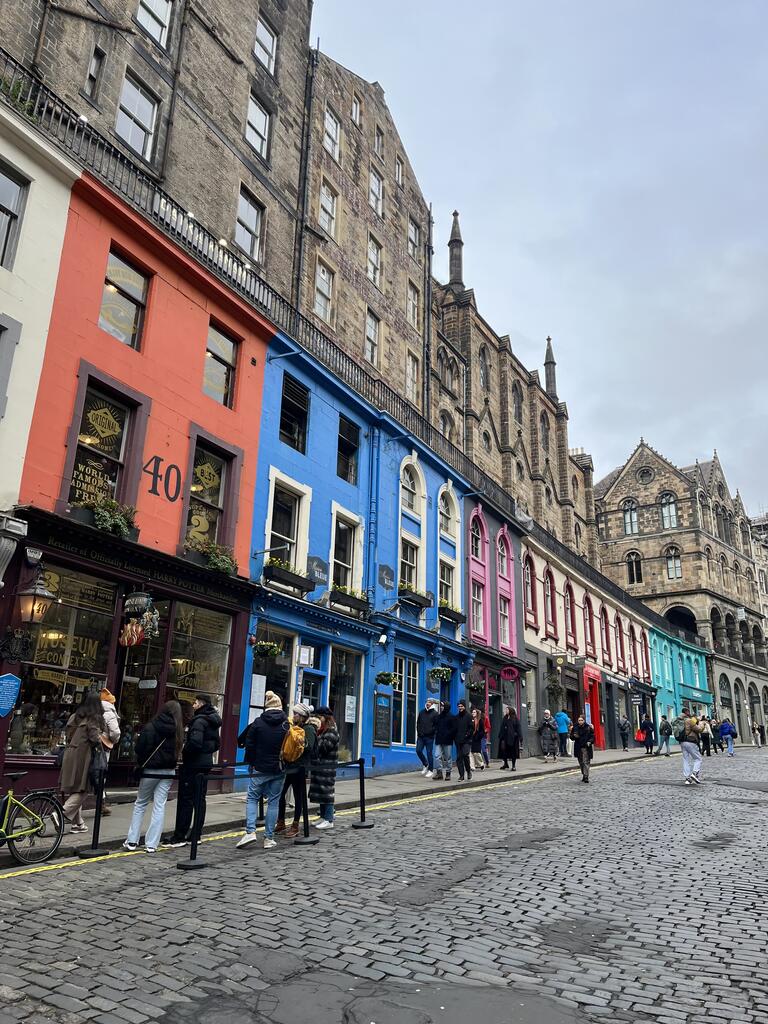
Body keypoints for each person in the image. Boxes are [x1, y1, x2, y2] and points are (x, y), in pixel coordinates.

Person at [123, 701, 184, 853]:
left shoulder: (151, 726)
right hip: (168, 771)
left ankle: (132, 841)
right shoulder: (178, 730)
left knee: (141, 803)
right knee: (159, 805)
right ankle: (152, 844)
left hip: (151, 770)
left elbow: (140, 748)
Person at [164, 693, 221, 848]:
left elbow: (195, 743)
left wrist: (184, 751)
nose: (194, 705)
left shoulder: (199, 721)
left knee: (186, 800)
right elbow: (216, 744)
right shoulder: (213, 721)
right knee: (199, 800)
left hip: (193, 765)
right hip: (205, 764)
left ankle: (180, 835)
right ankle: (196, 834)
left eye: (195, 702)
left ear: (201, 703)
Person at [235, 690, 288, 850]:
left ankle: (250, 832)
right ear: (279, 706)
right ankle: (269, 838)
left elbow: (249, 745)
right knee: (274, 802)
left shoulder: (258, 722)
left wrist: (251, 762)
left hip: (260, 767)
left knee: (252, 797)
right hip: (279, 768)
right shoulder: (287, 723)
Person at [59, 694, 105, 833]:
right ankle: (61, 814)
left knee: (75, 789)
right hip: (83, 756)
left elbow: (67, 733)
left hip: (69, 753)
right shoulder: (94, 718)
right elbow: (95, 739)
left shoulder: (74, 716)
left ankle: (77, 823)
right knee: (83, 789)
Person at [276, 703, 317, 839]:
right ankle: (280, 821)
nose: (294, 716)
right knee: (281, 794)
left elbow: (308, 747)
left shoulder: (309, 729)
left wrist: (297, 739)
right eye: (294, 713)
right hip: (289, 767)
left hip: (300, 768)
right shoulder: (294, 727)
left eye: (297, 714)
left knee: (299, 797)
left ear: (303, 716)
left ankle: (295, 825)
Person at [309, 706, 339, 830]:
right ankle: (323, 816)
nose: (318, 719)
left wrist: (315, 735)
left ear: (326, 718)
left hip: (326, 768)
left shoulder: (331, 731)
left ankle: (329, 819)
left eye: (319, 717)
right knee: (321, 792)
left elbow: (323, 747)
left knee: (327, 793)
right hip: (320, 767)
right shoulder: (324, 730)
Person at [99, 687, 121, 816]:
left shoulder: (94, 711)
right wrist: (114, 740)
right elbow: (115, 732)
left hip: (92, 746)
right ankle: (101, 804)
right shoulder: (109, 713)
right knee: (101, 775)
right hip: (103, 747)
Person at [673, 707, 705, 784]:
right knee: (698, 758)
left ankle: (687, 778)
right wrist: (702, 724)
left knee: (685, 759)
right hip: (691, 741)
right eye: (688, 711)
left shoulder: (678, 720)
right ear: (687, 712)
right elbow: (699, 729)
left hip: (682, 742)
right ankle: (694, 773)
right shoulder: (689, 721)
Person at [433, 702, 456, 781]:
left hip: (447, 740)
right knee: (436, 756)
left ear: (446, 707)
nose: (441, 707)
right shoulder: (438, 717)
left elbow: (453, 729)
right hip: (439, 739)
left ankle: (448, 773)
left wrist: (448, 734)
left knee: (448, 758)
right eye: (441, 706)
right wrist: (436, 732)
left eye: (442, 706)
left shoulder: (452, 717)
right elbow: (435, 725)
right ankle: (439, 772)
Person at [415, 698, 438, 777]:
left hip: (429, 737)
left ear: (432, 704)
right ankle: (425, 764)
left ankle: (431, 770)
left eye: (429, 702)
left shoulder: (435, 713)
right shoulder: (421, 712)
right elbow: (418, 723)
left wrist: (432, 733)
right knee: (418, 750)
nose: (428, 703)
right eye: (427, 702)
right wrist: (419, 732)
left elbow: (436, 726)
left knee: (429, 753)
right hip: (421, 736)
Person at [570, 713, 595, 783]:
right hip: (578, 747)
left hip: (586, 747)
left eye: (581, 720)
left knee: (586, 762)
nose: (580, 721)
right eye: (579, 720)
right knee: (581, 762)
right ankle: (584, 774)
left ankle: (586, 776)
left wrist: (590, 741)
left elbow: (592, 736)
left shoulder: (588, 727)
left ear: (584, 720)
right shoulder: (575, 727)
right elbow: (571, 737)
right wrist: (574, 736)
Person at [454, 699, 473, 781]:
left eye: (461, 706)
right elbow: (454, 729)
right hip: (458, 741)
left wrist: (467, 735)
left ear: (464, 706)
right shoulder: (456, 717)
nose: (460, 708)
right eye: (459, 706)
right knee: (459, 758)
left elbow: (471, 728)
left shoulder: (469, 716)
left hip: (466, 740)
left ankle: (468, 771)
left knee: (465, 755)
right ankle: (461, 775)